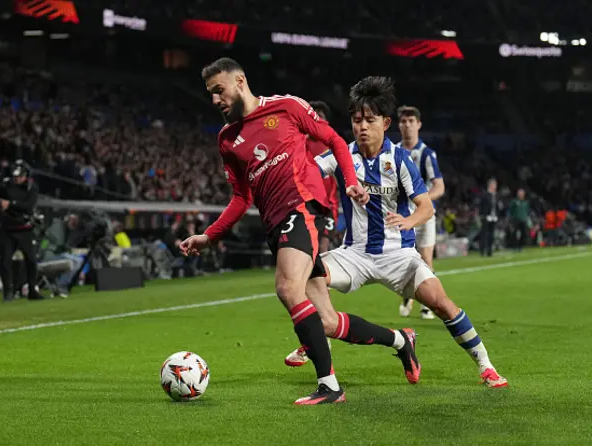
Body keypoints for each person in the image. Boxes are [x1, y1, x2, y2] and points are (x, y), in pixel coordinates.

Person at [180, 58, 418, 405]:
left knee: (287, 287)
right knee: (326, 321)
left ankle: (330, 386)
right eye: (211, 94)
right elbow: (241, 196)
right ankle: (401, 341)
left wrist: (350, 183)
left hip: (302, 208)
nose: (215, 100)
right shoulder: (228, 140)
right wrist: (210, 235)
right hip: (275, 225)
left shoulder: (287, 107)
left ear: (240, 81)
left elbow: (335, 140)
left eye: (219, 90)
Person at [284, 76, 508, 388]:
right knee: (306, 275)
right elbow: (305, 172)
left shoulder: (400, 159)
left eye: (369, 120)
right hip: (355, 253)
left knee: (442, 304)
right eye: (356, 119)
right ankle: (320, 337)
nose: (362, 126)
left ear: (385, 123)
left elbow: (426, 207)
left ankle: (486, 365)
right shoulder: (342, 153)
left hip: (398, 255)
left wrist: (409, 220)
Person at [396, 106, 445, 320]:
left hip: (423, 214)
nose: (407, 125)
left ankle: (427, 304)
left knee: (425, 258)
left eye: (411, 121)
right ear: (399, 125)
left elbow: (439, 186)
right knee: (404, 259)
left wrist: (422, 200)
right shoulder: (392, 152)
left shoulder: (426, 154)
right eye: (403, 121)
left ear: (418, 124)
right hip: (401, 215)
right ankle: (409, 294)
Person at [0, 161, 44, 301]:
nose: (17, 179)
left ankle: (32, 290)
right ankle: (8, 292)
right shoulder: (5, 187)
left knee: (31, 260)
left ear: (26, 176)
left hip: (25, 229)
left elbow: (28, 207)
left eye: (20, 176)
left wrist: (11, 204)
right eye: (15, 176)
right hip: (8, 229)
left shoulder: (32, 188)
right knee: (5, 261)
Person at [305, 101, 339, 254]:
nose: (317, 119)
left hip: (328, 207)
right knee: (307, 249)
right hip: (305, 204)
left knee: (323, 248)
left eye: (321, 116)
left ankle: (322, 277)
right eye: (314, 115)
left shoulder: (334, 144)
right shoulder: (300, 142)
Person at [479, 178, 499, 256]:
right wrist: (482, 215)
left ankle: (489, 251)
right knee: (484, 234)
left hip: (493, 217)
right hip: (486, 216)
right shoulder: (485, 195)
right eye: (494, 185)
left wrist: (497, 215)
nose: (495, 186)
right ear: (490, 185)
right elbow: (481, 206)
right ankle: (482, 250)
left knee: (491, 235)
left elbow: (496, 206)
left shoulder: (495, 195)